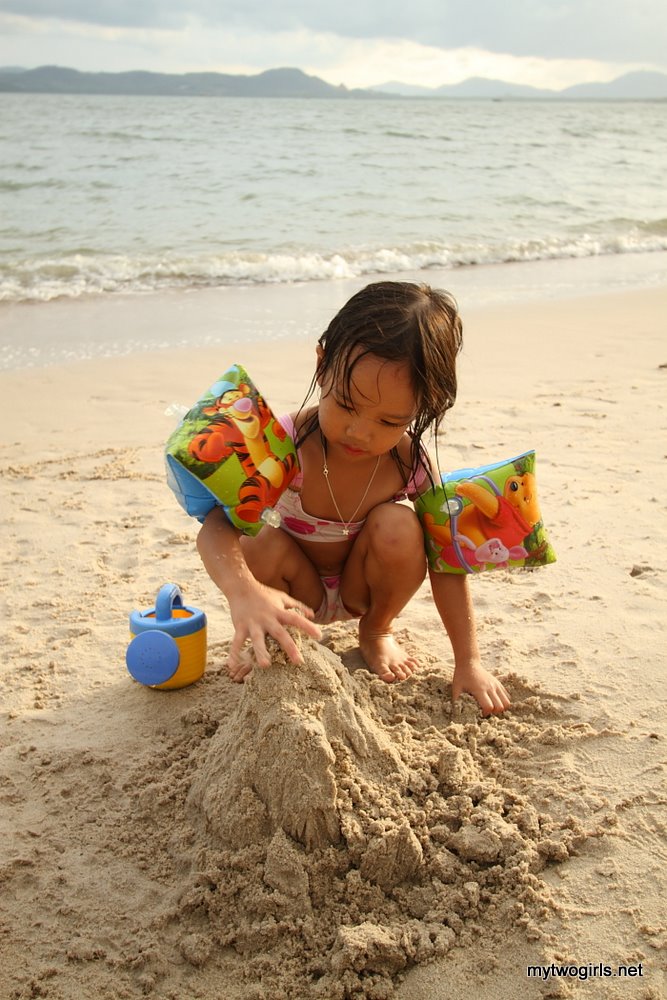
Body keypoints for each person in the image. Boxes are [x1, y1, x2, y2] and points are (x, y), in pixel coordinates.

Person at [196, 281, 510, 715]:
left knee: (400, 525)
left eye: (388, 420)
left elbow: (448, 560)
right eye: (345, 404)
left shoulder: (409, 464)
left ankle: (377, 631)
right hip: (290, 588)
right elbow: (214, 529)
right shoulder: (279, 442)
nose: (359, 432)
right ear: (322, 365)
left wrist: (469, 662)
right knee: (254, 538)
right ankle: (275, 634)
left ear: (423, 406)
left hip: (363, 586)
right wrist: (243, 591)